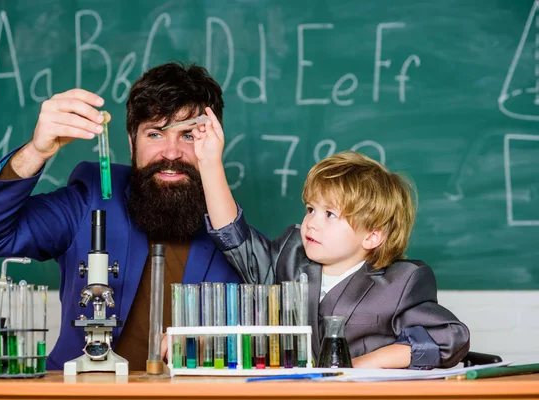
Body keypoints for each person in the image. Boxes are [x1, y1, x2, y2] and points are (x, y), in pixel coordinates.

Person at [0, 62, 244, 371]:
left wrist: (210, 343)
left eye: (188, 136)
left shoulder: (240, 245)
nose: (170, 153)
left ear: (214, 143)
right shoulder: (91, 200)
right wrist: (36, 152)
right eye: (155, 134)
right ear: (132, 144)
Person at [191, 110, 470, 369]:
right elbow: (234, 238)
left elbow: (448, 339)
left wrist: (360, 365)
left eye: (331, 214)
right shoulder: (290, 255)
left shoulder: (401, 281)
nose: (312, 222)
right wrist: (209, 163)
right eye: (311, 209)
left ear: (373, 235)